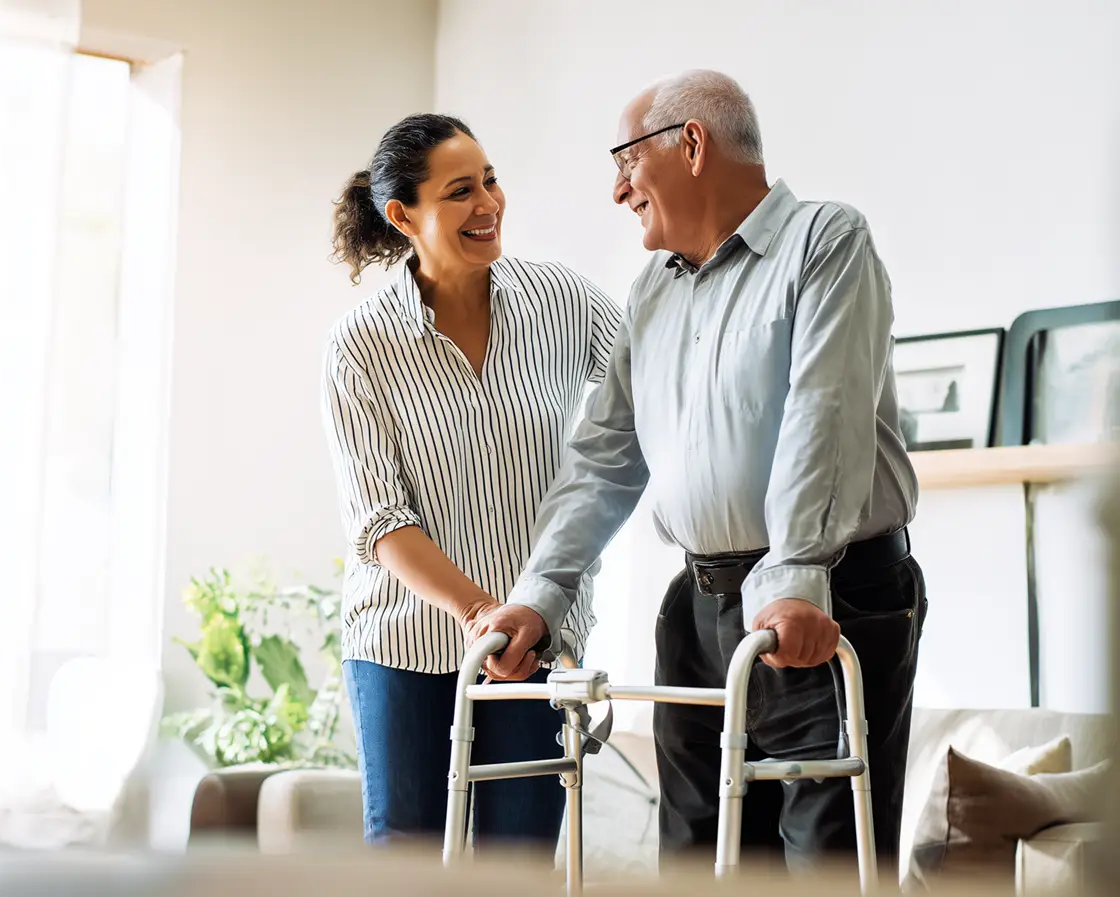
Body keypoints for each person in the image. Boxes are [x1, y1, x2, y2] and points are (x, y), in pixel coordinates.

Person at [475, 70, 925, 878]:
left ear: (691, 144)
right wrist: (541, 591)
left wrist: (794, 574)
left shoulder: (826, 242)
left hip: (831, 592)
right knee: (693, 853)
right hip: (699, 606)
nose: (617, 190)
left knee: (823, 857)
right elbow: (605, 453)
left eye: (625, 159)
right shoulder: (653, 289)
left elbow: (822, 419)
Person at [321, 112, 621, 850]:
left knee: (515, 865)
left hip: (537, 646)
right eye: (460, 191)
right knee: (411, 863)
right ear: (403, 215)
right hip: (405, 647)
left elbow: (656, 393)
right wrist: (482, 612)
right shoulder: (361, 345)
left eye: (489, 180)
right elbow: (380, 521)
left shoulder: (563, 301)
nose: (488, 204)